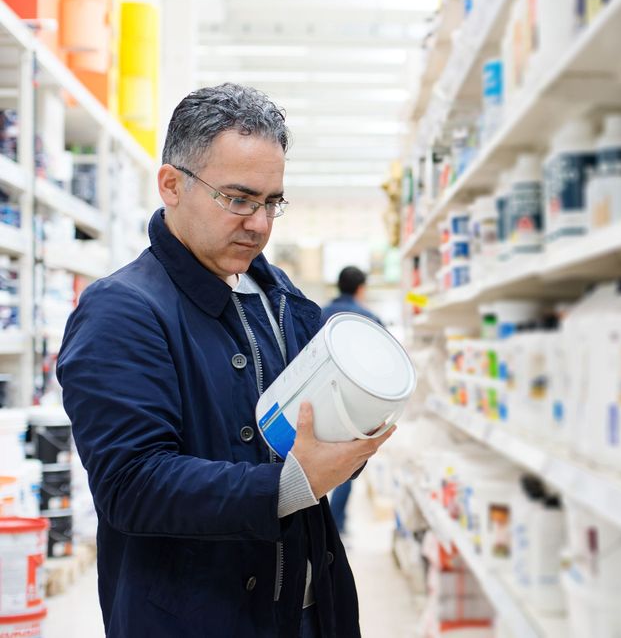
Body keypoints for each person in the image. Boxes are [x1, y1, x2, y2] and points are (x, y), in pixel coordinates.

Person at [56, 83, 395, 638]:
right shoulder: (121, 311)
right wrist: (292, 483)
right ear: (171, 185)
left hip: (309, 612)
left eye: (271, 202)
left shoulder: (282, 296)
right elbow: (131, 484)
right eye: (238, 199)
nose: (259, 223)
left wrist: (352, 433)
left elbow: (313, 439)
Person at [320, 266, 382, 534]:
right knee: (348, 463)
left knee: (309, 463)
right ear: (361, 288)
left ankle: (317, 523)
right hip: (356, 404)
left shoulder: (319, 313)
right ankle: (337, 524)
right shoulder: (369, 318)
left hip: (319, 399)